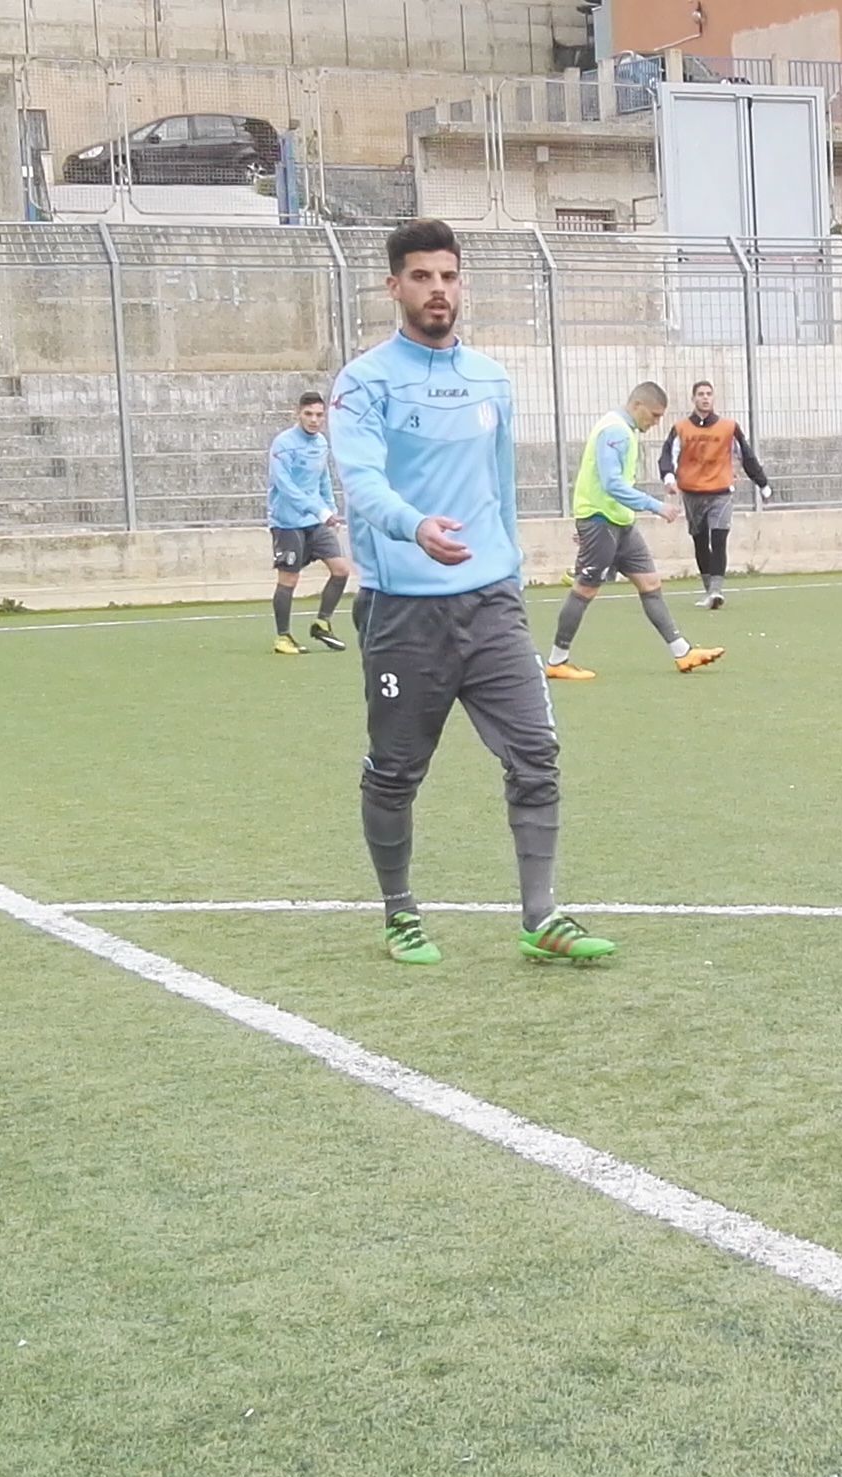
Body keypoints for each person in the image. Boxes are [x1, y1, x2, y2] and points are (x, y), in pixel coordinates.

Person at [329, 218, 614, 968]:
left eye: (449, 277)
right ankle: (400, 913)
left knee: (536, 752)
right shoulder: (364, 382)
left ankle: (541, 917)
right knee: (396, 770)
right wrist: (415, 526)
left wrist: (509, 569)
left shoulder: (491, 379)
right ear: (394, 286)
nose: (438, 290)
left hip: (491, 603)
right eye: (422, 277)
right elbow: (361, 483)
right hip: (402, 609)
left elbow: (499, 486)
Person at [545, 384, 724, 681]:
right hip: (600, 519)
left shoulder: (626, 430)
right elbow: (612, 484)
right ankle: (557, 660)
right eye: (654, 415)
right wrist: (656, 506)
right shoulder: (615, 431)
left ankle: (682, 652)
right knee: (585, 588)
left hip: (620, 521)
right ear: (638, 405)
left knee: (650, 583)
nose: (656, 422)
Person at [658, 380, 771, 609]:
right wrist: (669, 478)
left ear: (714, 398)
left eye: (709, 394)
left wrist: (763, 483)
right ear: (693, 399)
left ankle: (716, 591)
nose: (705, 398)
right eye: (700, 394)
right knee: (700, 541)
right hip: (692, 493)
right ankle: (709, 589)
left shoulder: (729, 427)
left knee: (719, 539)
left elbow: (746, 456)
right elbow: (668, 455)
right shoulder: (681, 428)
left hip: (721, 492)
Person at [266, 391, 352, 654]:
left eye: (319, 415)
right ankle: (283, 637)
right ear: (298, 414)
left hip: (315, 521)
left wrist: (330, 509)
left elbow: (323, 478)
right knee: (289, 578)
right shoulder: (283, 444)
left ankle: (322, 623)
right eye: (309, 414)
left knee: (341, 570)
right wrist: (319, 510)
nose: (314, 420)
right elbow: (286, 486)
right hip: (287, 522)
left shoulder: (321, 443)